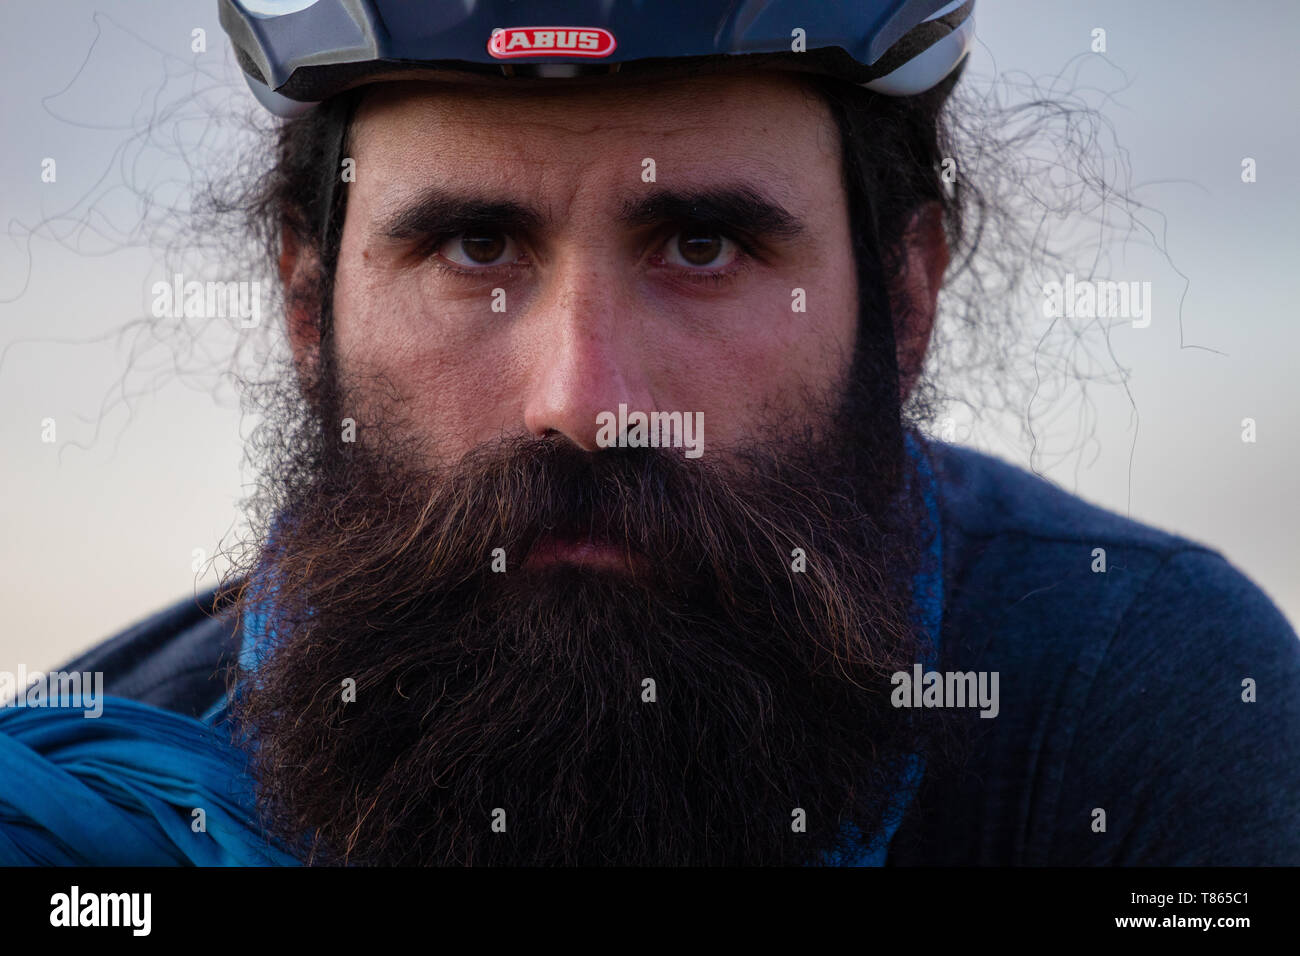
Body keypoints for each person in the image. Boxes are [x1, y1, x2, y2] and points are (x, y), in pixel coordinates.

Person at [3, 0, 1298, 866]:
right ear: (305, 302)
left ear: (905, 302)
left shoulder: (1138, 716)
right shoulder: (87, 808)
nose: (584, 398)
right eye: (474, 246)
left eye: (703, 245)